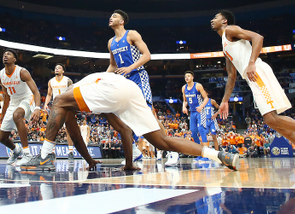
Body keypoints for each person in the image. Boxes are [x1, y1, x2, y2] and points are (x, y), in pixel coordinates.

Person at [21, 72, 239, 171]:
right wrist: (127, 164)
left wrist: (88, 160)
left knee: (57, 100)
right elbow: (124, 130)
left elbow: (74, 134)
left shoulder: (74, 93)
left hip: (113, 88)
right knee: (163, 141)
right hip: (129, 90)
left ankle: (45, 156)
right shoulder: (99, 101)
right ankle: (219, 155)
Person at [211, 10, 295, 167]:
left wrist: (252, 62)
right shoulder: (225, 45)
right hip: (252, 78)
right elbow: (232, 76)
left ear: (225, 21)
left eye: (216, 18)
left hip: (257, 71)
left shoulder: (230, 30)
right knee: (273, 122)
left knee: (271, 118)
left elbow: (257, 37)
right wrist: (225, 101)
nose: (212, 20)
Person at [107, 9, 156, 162]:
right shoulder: (111, 42)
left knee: (146, 111)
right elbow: (113, 66)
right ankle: (134, 150)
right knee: (124, 115)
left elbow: (147, 55)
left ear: (121, 21)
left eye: (114, 16)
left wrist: (130, 68)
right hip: (123, 81)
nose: (110, 17)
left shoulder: (132, 34)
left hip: (138, 76)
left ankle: (166, 148)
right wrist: (101, 78)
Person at [0, 49, 41, 166]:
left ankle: (27, 154)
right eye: (4, 54)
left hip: (27, 98)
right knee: (2, 138)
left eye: (9, 54)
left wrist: (37, 108)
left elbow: (36, 92)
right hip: (13, 101)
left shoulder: (22, 72)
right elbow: (6, 97)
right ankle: (16, 150)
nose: (5, 55)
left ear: (14, 59)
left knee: (17, 115)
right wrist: (2, 115)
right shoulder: (0, 76)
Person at [43, 63, 75, 160]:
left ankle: (70, 151)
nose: (56, 69)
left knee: (68, 130)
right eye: (55, 68)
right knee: (53, 130)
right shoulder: (51, 81)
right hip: (56, 107)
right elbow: (49, 95)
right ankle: (52, 152)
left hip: (67, 106)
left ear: (63, 71)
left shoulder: (68, 81)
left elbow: (72, 93)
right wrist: (45, 104)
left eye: (59, 68)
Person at [181, 71, 210, 163]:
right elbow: (185, 100)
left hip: (200, 111)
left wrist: (201, 107)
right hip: (192, 112)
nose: (187, 78)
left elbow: (206, 98)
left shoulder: (198, 86)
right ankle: (199, 153)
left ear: (192, 77)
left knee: (201, 129)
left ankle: (206, 155)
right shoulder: (184, 88)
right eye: (185, 76)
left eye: (188, 76)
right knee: (193, 132)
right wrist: (184, 107)